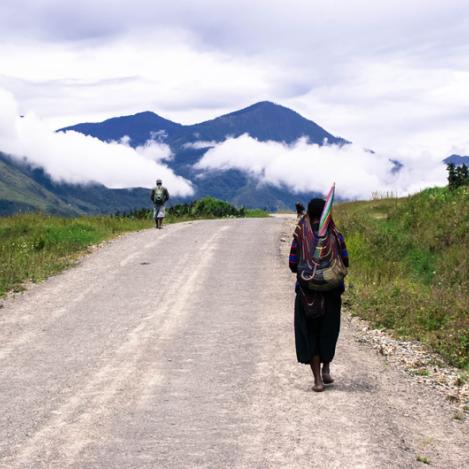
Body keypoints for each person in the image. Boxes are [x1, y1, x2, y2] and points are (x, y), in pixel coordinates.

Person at [289, 198, 349, 392]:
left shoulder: (300, 233)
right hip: (331, 294)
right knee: (328, 332)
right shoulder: (335, 234)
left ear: (308, 213)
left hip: (307, 295)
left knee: (311, 333)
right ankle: (326, 368)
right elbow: (345, 261)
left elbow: (292, 263)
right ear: (325, 214)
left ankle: (317, 381)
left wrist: (310, 270)